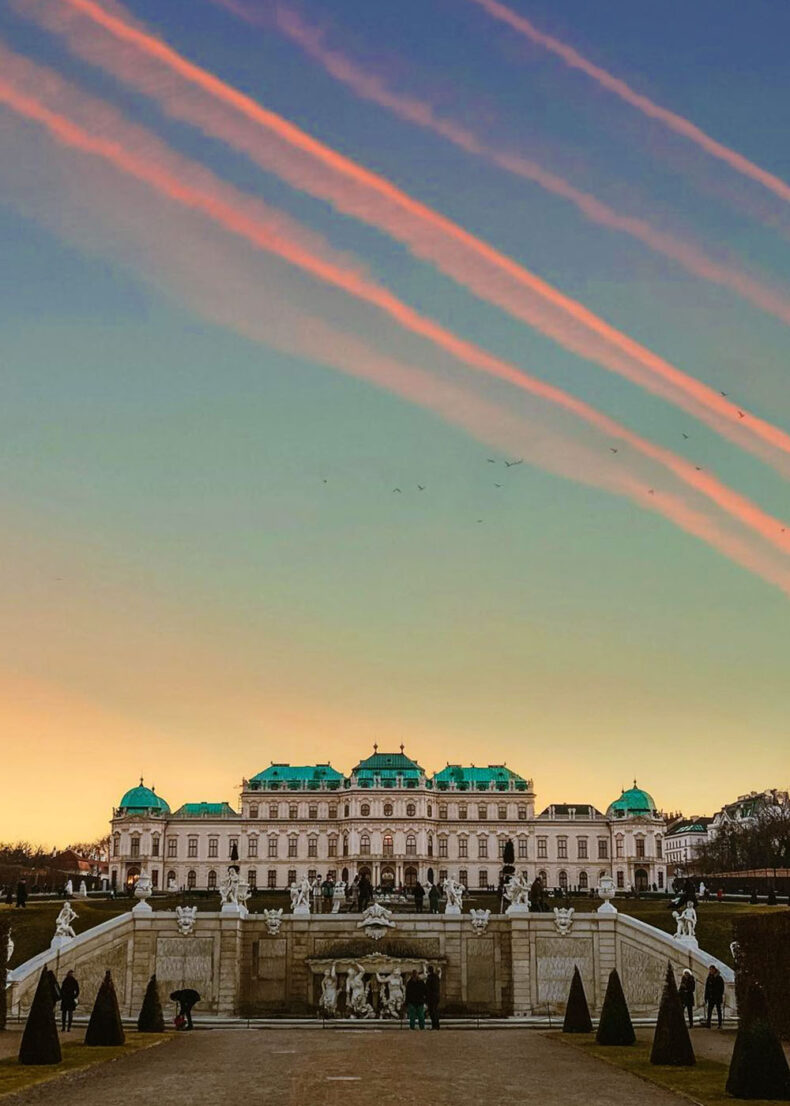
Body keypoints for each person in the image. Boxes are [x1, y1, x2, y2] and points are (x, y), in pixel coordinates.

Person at [425, 965, 440, 1030]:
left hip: (431, 997)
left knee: (432, 1011)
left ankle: (434, 1026)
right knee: (435, 1011)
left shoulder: (429, 978)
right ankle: (437, 1025)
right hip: (436, 996)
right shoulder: (436, 977)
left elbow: (427, 988)